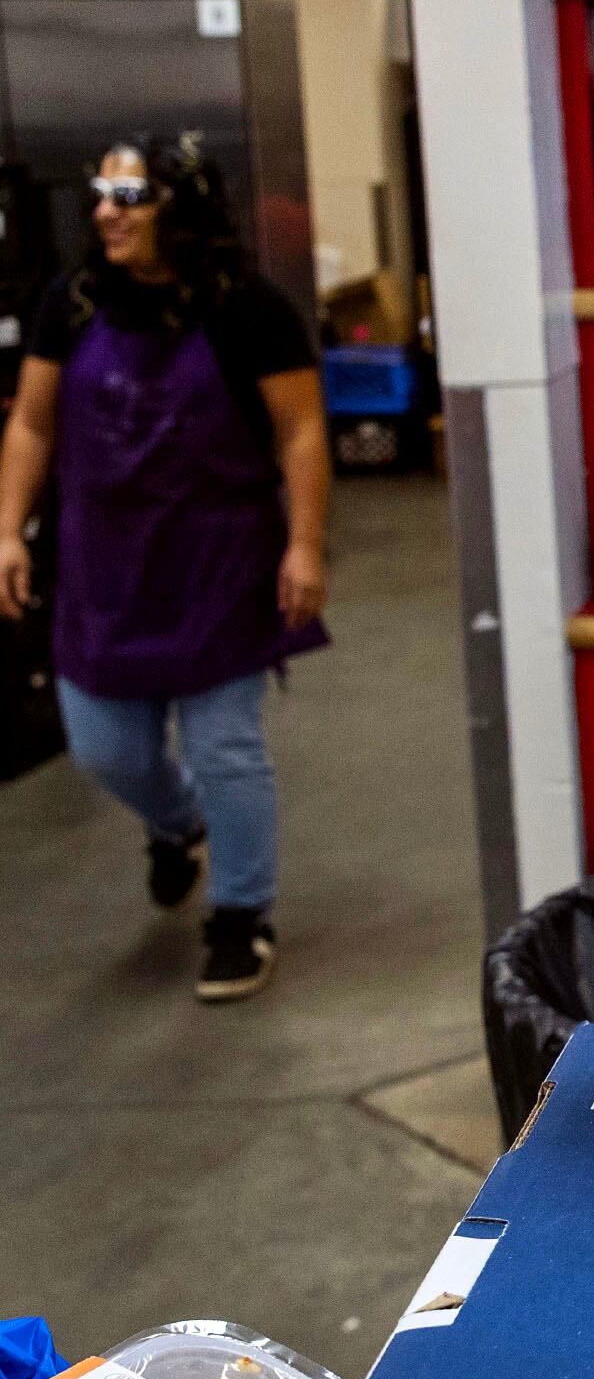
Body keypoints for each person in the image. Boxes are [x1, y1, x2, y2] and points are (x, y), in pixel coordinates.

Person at [0, 134, 329, 1001]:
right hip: (100, 565)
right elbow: (31, 424)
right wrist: (7, 530)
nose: (106, 211)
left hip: (218, 561)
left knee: (227, 747)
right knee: (105, 747)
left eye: (130, 194)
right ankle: (177, 822)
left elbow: (300, 430)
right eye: (101, 193)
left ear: (179, 207)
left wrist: (304, 543)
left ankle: (239, 916)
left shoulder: (248, 308)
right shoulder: (69, 306)